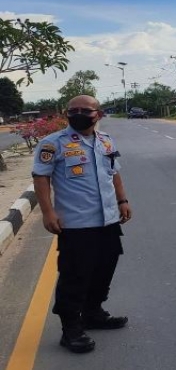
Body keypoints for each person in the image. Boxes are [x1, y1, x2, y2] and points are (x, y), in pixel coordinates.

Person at [31, 95, 131, 353]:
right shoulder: (52, 143)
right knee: (75, 276)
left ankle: (93, 313)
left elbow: (114, 172)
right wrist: (48, 212)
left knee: (104, 269)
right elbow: (41, 178)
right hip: (76, 224)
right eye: (72, 110)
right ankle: (71, 329)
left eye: (84, 110)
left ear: (98, 114)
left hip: (108, 220)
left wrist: (123, 200)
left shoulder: (105, 140)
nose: (78, 114)